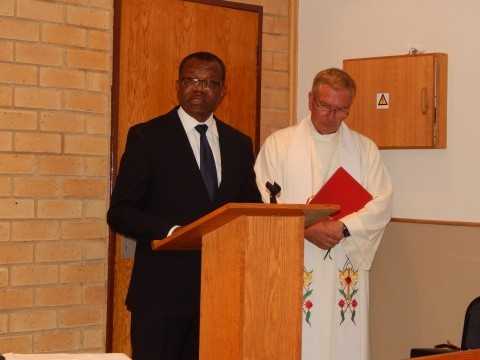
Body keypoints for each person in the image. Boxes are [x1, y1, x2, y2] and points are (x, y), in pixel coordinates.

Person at [107, 51, 261, 360]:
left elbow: (250, 209)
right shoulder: (147, 137)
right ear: (177, 85)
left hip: (221, 297)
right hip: (160, 297)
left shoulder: (239, 143)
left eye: (209, 82)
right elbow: (121, 212)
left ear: (222, 90)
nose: (199, 89)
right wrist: (174, 232)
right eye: (191, 80)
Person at [254, 68, 392, 360]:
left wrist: (343, 227)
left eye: (341, 110)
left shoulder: (364, 149)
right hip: (296, 258)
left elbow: (382, 203)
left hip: (344, 259)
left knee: (343, 342)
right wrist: (304, 229)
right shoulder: (280, 144)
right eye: (324, 106)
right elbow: (264, 201)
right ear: (309, 100)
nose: (331, 115)